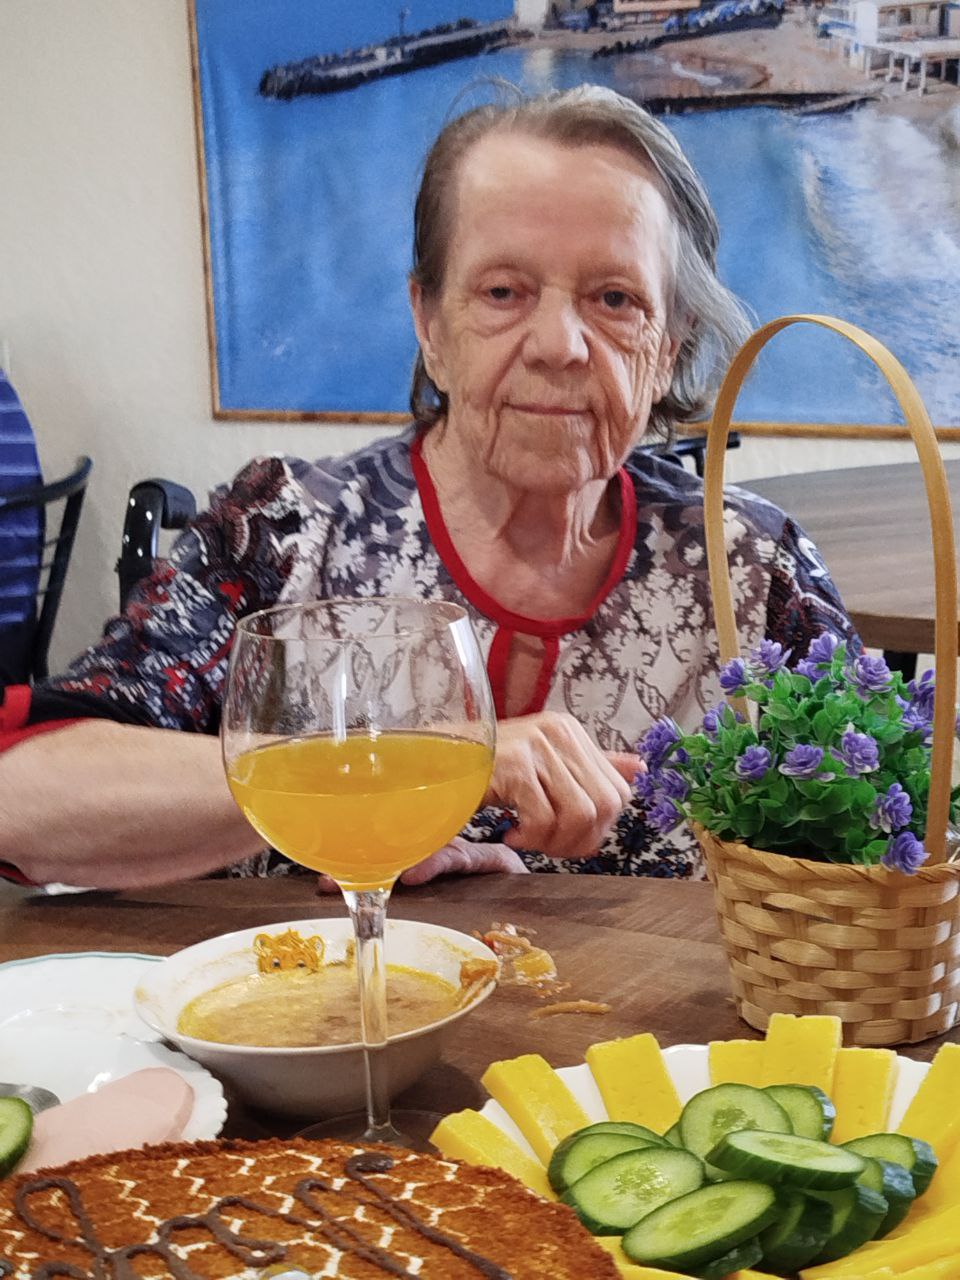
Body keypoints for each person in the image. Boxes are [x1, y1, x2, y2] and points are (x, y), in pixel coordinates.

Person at [0, 85, 854, 890]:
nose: (559, 344)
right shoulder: (288, 531)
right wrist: (410, 770)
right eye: (503, 291)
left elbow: (886, 861)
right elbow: (24, 792)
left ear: (669, 347)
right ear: (431, 325)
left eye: (615, 298)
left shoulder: (751, 572)